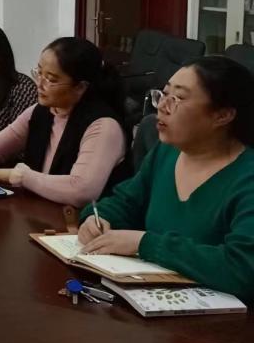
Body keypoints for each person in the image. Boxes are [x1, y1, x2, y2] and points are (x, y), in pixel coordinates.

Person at [78, 56, 254, 302]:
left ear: (222, 115)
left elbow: (242, 268)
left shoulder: (246, 177)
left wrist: (145, 244)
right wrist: (98, 218)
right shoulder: (166, 152)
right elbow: (125, 202)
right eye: (163, 94)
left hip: (224, 319)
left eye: (178, 98)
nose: (161, 106)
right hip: (150, 301)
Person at [0, 37, 128, 208]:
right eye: (39, 73)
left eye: (51, 79)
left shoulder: (103, 126)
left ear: (80, 87)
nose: (40, 83)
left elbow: (81, 191)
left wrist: (21, 176)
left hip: (83, 228)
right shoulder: (41, 110)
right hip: (42, 211)